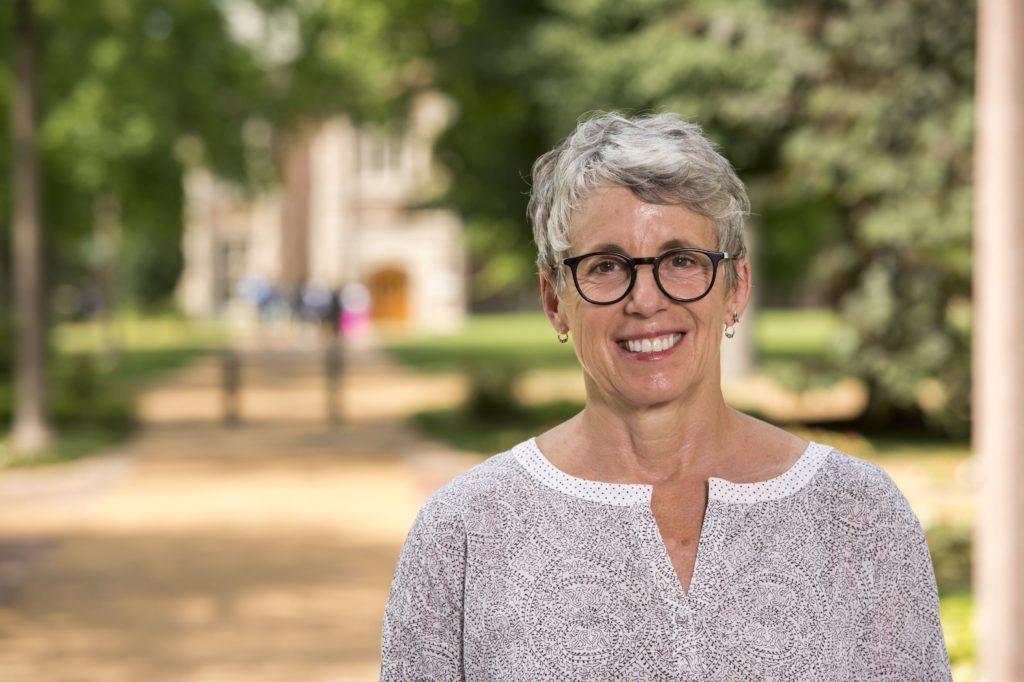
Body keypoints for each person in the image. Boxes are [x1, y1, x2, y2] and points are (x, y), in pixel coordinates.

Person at [380, 113, 951, 680]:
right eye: (606, 265)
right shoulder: (466, 532)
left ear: (736, 288)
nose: (646, 301)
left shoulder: (858, 516)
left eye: (681, 260)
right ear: (555, 299)